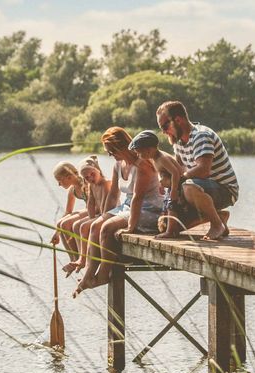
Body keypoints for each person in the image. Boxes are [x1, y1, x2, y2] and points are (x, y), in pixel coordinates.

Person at [73, 127, 163, 298]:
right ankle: (88, 275)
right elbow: (114, 194)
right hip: (128, 206)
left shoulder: (142, 166)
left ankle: (102, 275)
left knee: (106, 229)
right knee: (95, 226)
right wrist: (104, 216)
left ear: (121, 147)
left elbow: (138, 199)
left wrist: (130, 227)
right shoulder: (117, 165)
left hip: (148, 209)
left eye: (111, 151)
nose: (110, 155)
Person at [156, 100, 239, 240]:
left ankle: (217, 224)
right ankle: (220, 216)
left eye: (165, 126)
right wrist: (163, 179)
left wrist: (176, 181)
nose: (163, 132)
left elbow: (203, 170)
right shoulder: (178, 142)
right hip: (199, 189)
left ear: (178, 120)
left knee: (188, 187)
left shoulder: (201, 136)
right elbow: (177, 170)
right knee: (167, 225)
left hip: (224, 189)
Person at [129, 130, 230, 238]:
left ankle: (170, 231)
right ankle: (172, 229)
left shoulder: (162, 158)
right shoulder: (155, 158)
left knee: (172, 206)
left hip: (178, 186)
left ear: (149, 150)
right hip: (171, 186)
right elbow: (163, 173)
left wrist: (173, 191)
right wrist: (161, 185)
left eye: (139, 153)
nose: (138, 156)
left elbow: (176, 173)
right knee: (166, 214)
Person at [63, 155, 114, 274]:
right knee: (77, 225)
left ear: (97, 170)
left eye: (92, 174)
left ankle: (83, 260)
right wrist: (91, 218)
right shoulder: (91, 185)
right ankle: (81, 257)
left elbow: (107, 205)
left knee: (84, 226)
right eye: (86, 177)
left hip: (109, 214)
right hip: (99, 215)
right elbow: (90, 203)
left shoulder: (106, 183)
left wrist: (94, 221)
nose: (90, 178)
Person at [50, 161, 88, 260]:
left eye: (59, 180)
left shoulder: (86, 184)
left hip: (98, 211)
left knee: (66, 223)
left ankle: (79, 259)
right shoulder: (72, 190)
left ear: (69, 177)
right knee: (62, 224)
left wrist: (76, 214)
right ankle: (73, 258)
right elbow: (68, 212)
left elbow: (95, 206)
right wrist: (57, 233)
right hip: (89, 211)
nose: (59, 184)